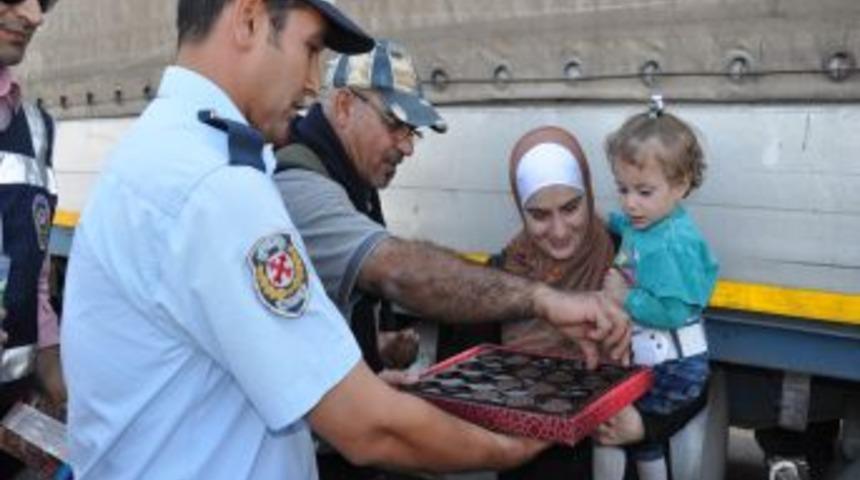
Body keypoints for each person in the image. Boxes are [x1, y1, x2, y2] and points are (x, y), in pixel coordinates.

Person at [59, 1, 593, 478]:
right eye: (310, 49)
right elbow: (369, 431)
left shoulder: (160, 151)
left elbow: (213, 375)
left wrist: (355, 386)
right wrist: (509, 448)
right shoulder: (218, 186)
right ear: (248, 19)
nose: (314, 83)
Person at [273, 38, 631, 480]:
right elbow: (398, 270)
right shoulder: (301, 187)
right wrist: (543, 301)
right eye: (396, 125)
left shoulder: (357, 186)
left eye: (413, 132)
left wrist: (367, 361)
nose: (408, 147)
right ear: (344, 106)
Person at [592, 98, 719, 480]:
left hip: (675, 368)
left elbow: (673, 311)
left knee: (613, 429)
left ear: (680, 186)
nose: (631, 204)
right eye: (622, 189)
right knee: (642, 443)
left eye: (643, 192)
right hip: (656, 357)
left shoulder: (673, 243)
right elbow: (626, 225)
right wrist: (601, 219)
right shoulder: (646, 221)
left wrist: (622, 298)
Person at [488, 126, 616, 480]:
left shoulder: (630, 261)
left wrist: (645, 426)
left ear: (589, 194)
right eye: (539, 215)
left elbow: (688, 379)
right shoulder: (498, 280)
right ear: (519, 208)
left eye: (571, 208)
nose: (559, 231)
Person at [0, 0, 66, 476]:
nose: (36, 16)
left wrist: (62, 388)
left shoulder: (38, 130)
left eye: (44, 2)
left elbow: (36, 284)